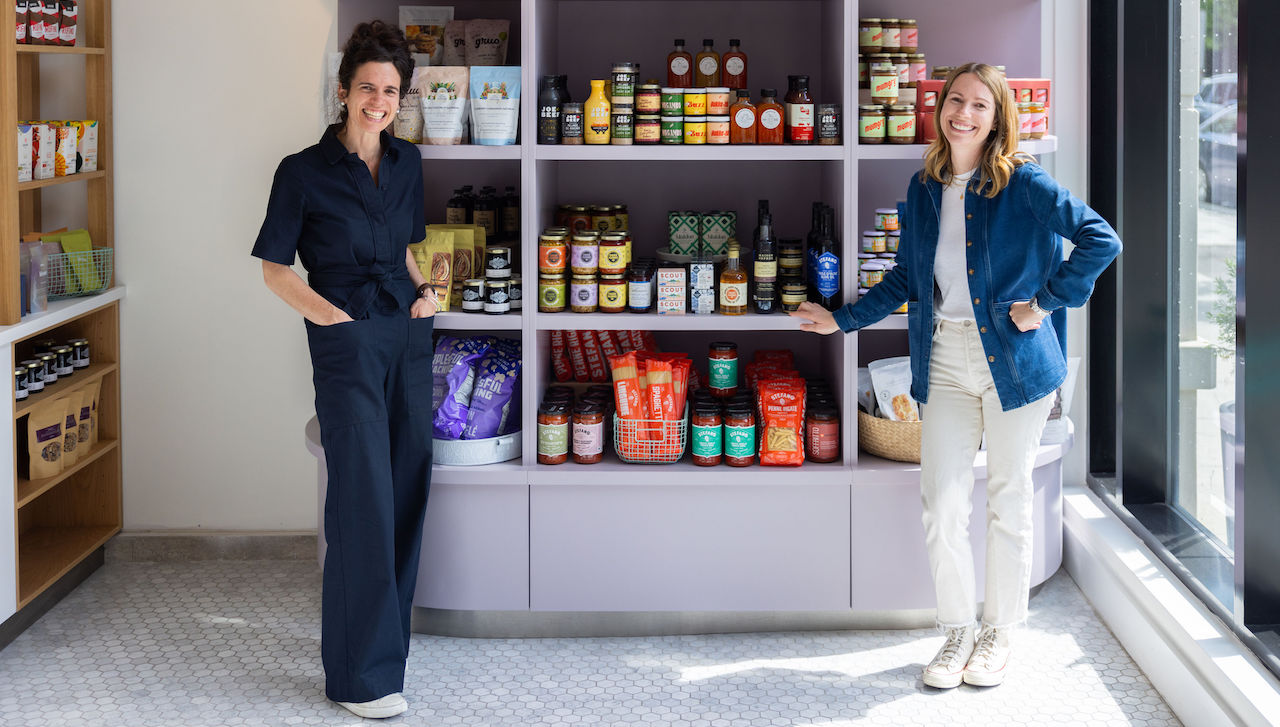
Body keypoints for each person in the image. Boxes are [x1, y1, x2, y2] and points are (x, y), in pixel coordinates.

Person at [792, 63, 1121, 689]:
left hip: (1016, 362)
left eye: (979, 105)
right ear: (939, 108)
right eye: (954, 101)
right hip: (943, 358)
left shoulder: (1023, 182)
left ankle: (999, 632)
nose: (963, 114)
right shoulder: (923, 188)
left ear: (997, 118)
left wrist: (1043, 303)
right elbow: (906, 279)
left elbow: (1100, 239)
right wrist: (840, 321)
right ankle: (957, 632)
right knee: (942, 504)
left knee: (1007, 499)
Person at [251, 21, 436, 720]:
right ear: (343, 89)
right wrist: (332, 319)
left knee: (407, 490)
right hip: (348, 344)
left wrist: (426, 295)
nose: (378, 102)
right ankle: (360, 679)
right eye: (367, 87)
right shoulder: (301, 172)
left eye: (390, 90)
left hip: (406, 336)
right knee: (362, 500)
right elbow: (275, 270)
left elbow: (408, 247)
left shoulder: (409, 163)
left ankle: (388, 656)